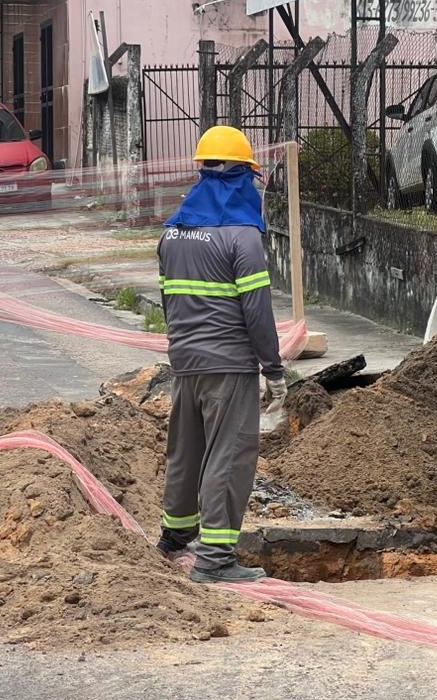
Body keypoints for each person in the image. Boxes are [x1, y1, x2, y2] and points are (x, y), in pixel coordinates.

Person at [155, 125, 287, 582]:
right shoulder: (242, 238)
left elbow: (170, 299)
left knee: (186, 451)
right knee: (228, 456)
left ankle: (173, 539)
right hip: (228, 363)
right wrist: (273, 367)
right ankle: (214, 560)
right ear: (238, 176)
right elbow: (257, 310)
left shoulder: (173, 233)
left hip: (185, 360)